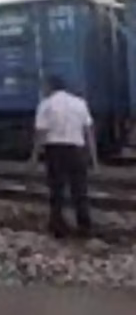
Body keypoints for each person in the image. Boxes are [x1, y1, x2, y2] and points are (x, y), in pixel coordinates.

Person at [31, 75, 97, 239]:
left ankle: (57, 225)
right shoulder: (80, 103)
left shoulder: (46, 104)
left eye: (45, 86)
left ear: (50, 86)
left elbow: (41, 132)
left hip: (55, 150)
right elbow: (88, 132)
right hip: (77, 150)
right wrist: (94, 158)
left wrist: (34, 156)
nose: (43, 89)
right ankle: (84, 225)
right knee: (80, 189)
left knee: (56, 190)